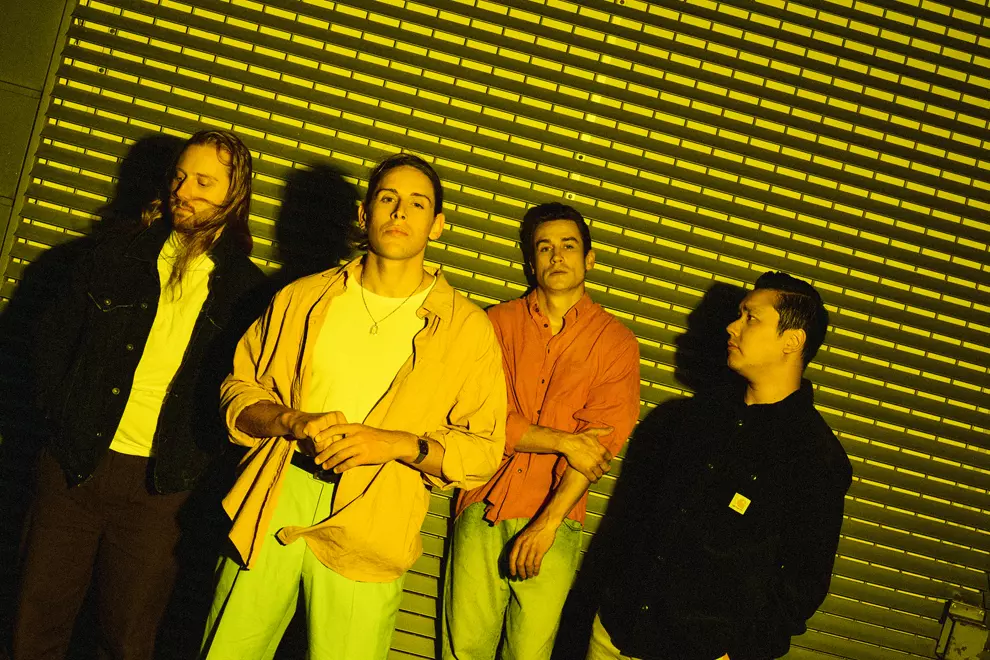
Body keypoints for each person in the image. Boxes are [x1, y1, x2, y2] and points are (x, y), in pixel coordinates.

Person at [201, 152, 506, 660]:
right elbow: (239, 390)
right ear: (364, 215)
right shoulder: (303, 298)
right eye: (388, 198)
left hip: (374, 516)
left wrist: (395, 445)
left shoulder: (465, 329)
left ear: (437, 225)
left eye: (417, 203)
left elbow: (483, 451)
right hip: (277, 492)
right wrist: (290, 420)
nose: (400, 212)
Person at [13, 129, 266, 660]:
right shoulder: (113, 255)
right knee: (35, 624)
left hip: (163, 485)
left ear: (235, 195)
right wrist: (60, 422)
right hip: (76, 464)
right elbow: (49, 344)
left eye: (203, 182)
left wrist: (199, 466)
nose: (183, 191)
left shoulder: (248, 292)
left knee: (129, 639)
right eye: (179, 176)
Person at [588, 272, 852, 660]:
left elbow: (803, 583)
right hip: (614, 633)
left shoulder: (814, 456)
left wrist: (740, 653)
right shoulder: (689, 419)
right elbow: (635, 522)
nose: (732, 326)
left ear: (792, 341)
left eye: (751, 317)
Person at [442, 202, 641, 660]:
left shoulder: (615, 343)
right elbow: (480, 418)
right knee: (462, 650)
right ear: (531, 262)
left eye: (568, 246)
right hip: (483, 504)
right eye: (545, 247)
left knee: (529, 653)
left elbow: (598, 447)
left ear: (589, 259)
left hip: (557, 517)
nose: (557, 256)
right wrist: (563, 441)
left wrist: (547, 525)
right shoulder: (495, 324)